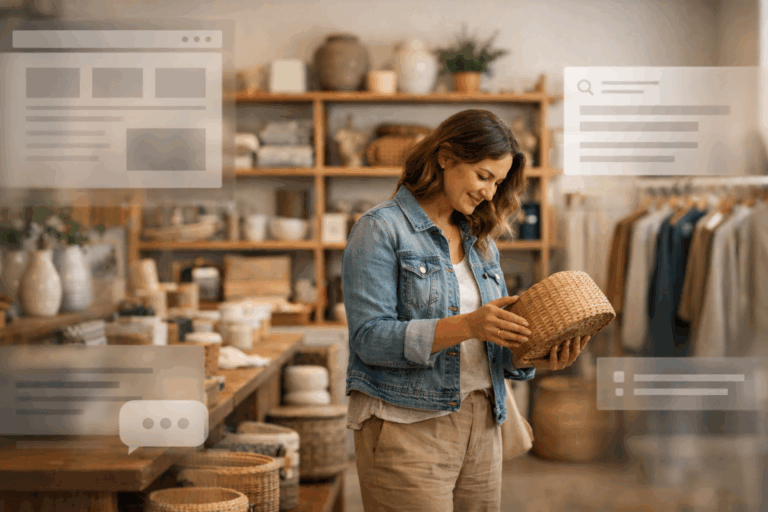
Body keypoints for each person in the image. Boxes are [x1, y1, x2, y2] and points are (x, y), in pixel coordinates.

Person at [341, 109, 590, 512]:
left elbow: (493, 341)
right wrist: (469, 325)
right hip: (408, 427)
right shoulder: (380, 228)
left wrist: (540, 356)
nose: (491, 193)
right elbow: (369, 339)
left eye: (498, 182)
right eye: (484, 176)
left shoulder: (481, 241)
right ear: (446, 157)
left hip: (484, 422)